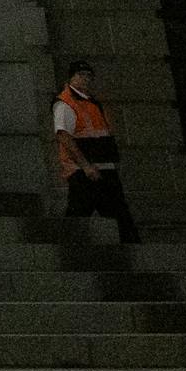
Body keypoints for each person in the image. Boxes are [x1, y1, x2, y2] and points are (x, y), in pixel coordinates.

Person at [52, 59, 142, 247]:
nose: (85, 79)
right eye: (81, 75)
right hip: (84, 170)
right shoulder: (66, 103)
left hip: (102, 168)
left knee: (118, 213)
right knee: (81, 213)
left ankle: (132, 249)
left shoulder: (91, 103)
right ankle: (67, 251)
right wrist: (85, 166)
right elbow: (64, 136)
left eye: (88, 76)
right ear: (71, 78)